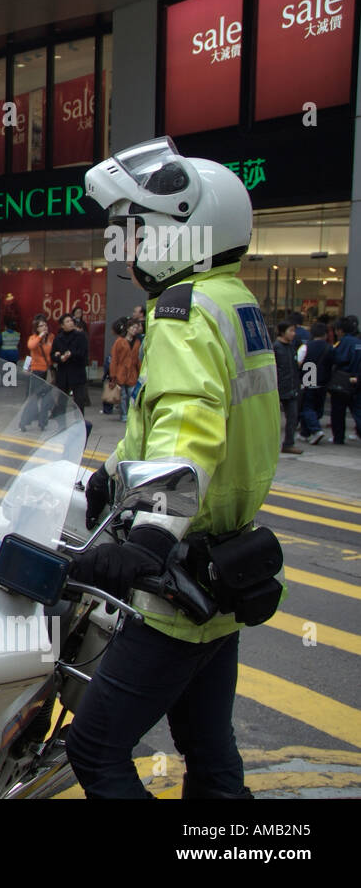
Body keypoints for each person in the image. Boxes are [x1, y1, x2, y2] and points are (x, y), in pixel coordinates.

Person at [69, 136, 282, 799]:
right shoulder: (235, 303)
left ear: (179, 235)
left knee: (95, 745)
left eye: (141, 233)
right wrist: (113, 476)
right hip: (223, 575)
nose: (130, 250)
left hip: (178, 586)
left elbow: (189, 435)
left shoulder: (182, 312)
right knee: (210, 754)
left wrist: (151, 540)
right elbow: (196, 422)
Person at [328, 315, 360, 444]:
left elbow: (339, 359)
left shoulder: (344, 343)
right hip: (358, 380)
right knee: (358, 411)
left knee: (338, 412)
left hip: (343, 382)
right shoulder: (358, 341)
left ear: (340, 330)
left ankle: (338, 437)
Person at [18, 316, 54, 432]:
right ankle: (24, 422)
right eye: (41, 326)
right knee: (33, 398)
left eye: (45, 325)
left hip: (46, 370)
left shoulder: (51, 338)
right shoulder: (34, 338)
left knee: (46, 399)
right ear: (37, 328)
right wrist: (40, 336)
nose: (44, 327)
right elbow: (31, 348)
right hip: (36, 371)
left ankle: (42, 422)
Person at [52, 313, 89, 416]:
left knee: (79, 401)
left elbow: (83, 353)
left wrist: (71, 354)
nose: (71, 323)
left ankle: (79, 423)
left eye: (71, 321)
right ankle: (61, 425)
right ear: (62, 325)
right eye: (67, 321)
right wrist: (59, 358)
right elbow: (53, 354)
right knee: (61, 402)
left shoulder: (80, 336)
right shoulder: (58, 338)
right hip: (63, 374)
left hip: (77, 373)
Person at [298, 322, 329, 445]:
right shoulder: (330, 348)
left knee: (307, 406)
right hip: (323, 381)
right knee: (317, 407)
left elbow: (298, 363)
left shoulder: (305, 347)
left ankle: (316, 430)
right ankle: (305, 433)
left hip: (308, 379)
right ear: (325, 334)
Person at [274, 320, 302, 454]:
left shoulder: (292, 347)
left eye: (294, 331)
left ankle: (289, 443)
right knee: (273, 418)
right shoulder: (276, 347)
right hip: (278, 387)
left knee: (293, 416)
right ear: (281, 331)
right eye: (290, 330)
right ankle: (270, 444)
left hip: (291, 387)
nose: (293, 334)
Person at [112, 319, 142, 423]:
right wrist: (113, 375)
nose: (135, 330)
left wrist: (141, 372)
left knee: (131, 395)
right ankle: (124, 415)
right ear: (128, 328)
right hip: (121, 371)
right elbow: (114, 359)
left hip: (132, 372)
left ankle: (130, 414)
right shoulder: (119, 341)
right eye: (133, 327)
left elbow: (138, 359)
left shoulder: (137, 342)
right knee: (123, 396)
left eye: (136, 328)